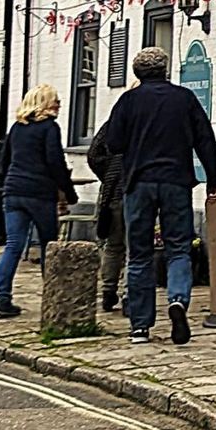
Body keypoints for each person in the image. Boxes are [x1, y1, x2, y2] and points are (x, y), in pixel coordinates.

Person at [101, 45, 216, 346]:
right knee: (178, 248)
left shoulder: (128, 101)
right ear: (165, 70)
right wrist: (213, 180)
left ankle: (140, 326)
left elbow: (112, 144)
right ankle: (178, 300)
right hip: (176, 182)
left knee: (138, 253)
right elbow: (205, 139)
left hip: (139, 184)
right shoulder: (184, 99)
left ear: (137, 73)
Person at [0, 84, 77, 318]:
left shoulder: (17, 128)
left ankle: (1, 299)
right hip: (39, 193)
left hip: (13, 190)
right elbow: (55, 162)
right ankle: (53, 299)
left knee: (13, 246)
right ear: (44, 103)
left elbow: (5, 159)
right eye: (55, 100)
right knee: (49, 246)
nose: (59, 104)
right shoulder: (49, 128)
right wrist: (69, 193)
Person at [84, 117, 125, 314]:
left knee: (113, 245)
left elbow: (93, 154)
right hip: (137, 189)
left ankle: (108, 290)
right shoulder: (150, 122)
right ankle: (129, 294)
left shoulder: (112, 124)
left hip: (113, 191)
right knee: (136, 247)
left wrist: (108, 173)